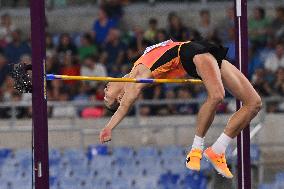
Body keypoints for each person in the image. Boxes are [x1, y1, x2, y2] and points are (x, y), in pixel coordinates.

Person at [100, 39, 262, 179]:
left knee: (254, 103)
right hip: (191, 54)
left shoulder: (135, 67)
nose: (106, 89)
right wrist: (108, 127)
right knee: (217, 95)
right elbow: (124, 107)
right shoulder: (135, 82)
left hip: (201, 50)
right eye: (108, 96)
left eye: (105, 91)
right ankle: (196, 150)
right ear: (120, 98)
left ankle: (218, 149)